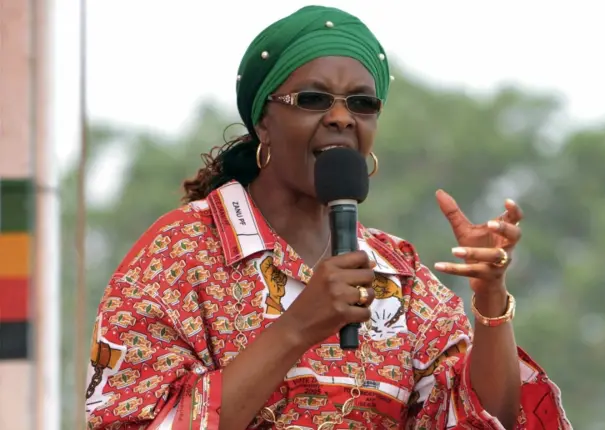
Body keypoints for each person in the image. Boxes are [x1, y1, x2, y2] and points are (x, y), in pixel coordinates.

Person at [85, 5, 571, 430]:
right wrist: (297, 328)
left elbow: (487, 419)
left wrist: (490, 301)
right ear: (263, 123)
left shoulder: (398, 275)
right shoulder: (180, 253)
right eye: (313, 99)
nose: (342, 117)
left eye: (362, 103)